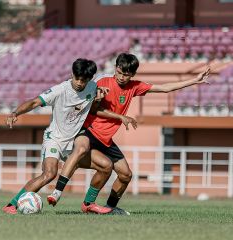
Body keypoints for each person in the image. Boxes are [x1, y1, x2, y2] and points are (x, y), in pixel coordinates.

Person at [47, 53, 210, 215]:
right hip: (89, 131)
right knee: (88, 155)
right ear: (115, 68)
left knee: (126, 174)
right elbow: (92, 109)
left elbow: (164, 88)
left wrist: (194, 80)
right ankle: (61, 192)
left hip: (106, 139)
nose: (122, 77)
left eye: (126, 74)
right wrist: (113, 111)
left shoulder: (134, 87)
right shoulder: (102, 82)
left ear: (132, 75)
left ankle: (110, 208)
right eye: (119, 72)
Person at [2, 58, 114, 214]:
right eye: (77, 78)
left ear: (90, 79)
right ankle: (11, 205)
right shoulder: (60, 90)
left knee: (106, 166)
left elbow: (94, 108)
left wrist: (98, 100)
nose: (80, 83)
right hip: (54, 139)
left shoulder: (93, 87)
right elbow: (35, 102)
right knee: (49, 174)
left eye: (84, 80)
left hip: (73, 144)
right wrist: (16, 113)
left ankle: (88, 204)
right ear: (71, 74)